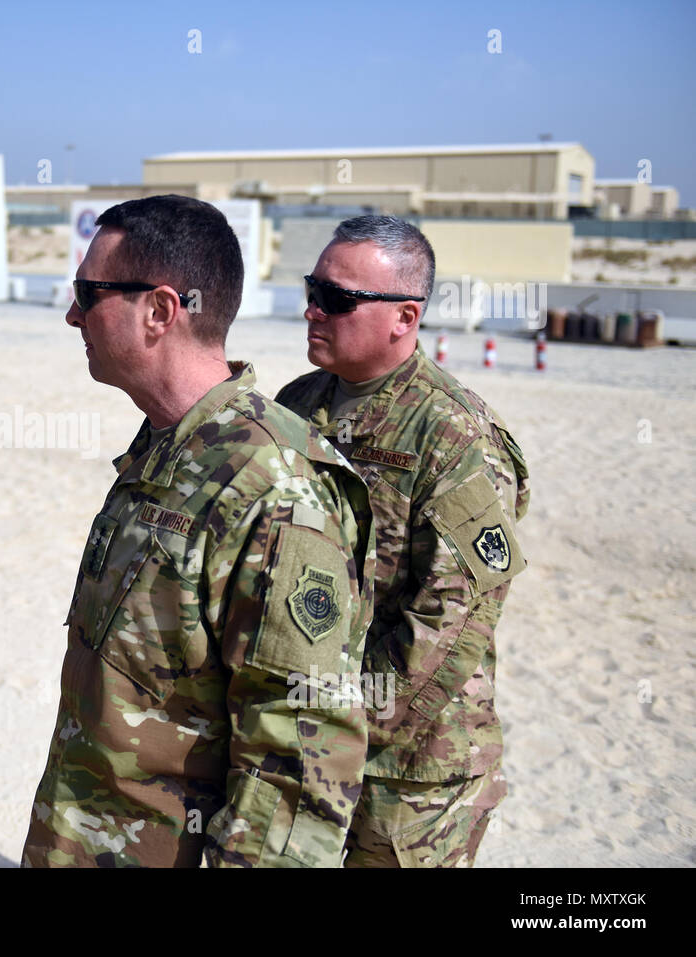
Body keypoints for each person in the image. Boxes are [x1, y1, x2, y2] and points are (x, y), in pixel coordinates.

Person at [21, 195, 375, 867]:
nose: (72, 314)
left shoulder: (274, 487)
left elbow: (299, 752)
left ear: (158, 311)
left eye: (88, 294)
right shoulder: (168, 446)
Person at [276, 215, 529, 867]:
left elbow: (453, 619)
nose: (312, 310)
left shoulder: (456, 438)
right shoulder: (297, 405)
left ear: (404, 317)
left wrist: (345, 726)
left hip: (406, 773)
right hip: (297, 734)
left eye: (336, 299)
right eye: (312, 289)